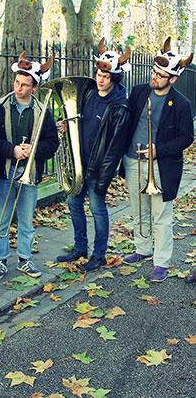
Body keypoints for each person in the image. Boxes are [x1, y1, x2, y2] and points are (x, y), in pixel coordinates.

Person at [121, 37, 194, 282]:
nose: (155, 77)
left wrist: (158, 150)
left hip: (160, 165)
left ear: (173, 79)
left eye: (161, 75)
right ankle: (142, 249)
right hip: (133, 160)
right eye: (154, 72)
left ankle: (161, 261)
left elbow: (187, 137)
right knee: (138, 210)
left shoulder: (182, 104)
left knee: (161, 217)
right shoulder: (139, 91)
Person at [56, 39, 131, 271]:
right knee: (74, 203)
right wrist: (66, 127)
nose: (100, 79)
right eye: (99, 74)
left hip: (98, 168)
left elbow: (115, 148)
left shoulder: (120, 107)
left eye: (106, 76)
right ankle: (80, 247)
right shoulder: (88, 94)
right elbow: (80, 121)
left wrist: (103, 177)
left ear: (115, 78)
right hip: (80, 162)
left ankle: (99, 254)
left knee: (98, 209)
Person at [0, 52, 59, 281]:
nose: (19, 88)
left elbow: (52, 143)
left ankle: (24, 258)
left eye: (25, 85)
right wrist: (12, 150)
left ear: (34, 87)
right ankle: (0, 260)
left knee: (27, 220)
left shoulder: (42, 111)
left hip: (29, 173)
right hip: (4, 172)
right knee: (1, 218)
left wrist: (34, 151)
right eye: (17, 83)